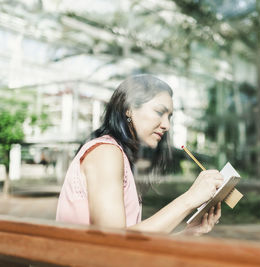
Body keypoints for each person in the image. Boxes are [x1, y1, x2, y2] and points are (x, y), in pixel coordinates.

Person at [56, 74, 223, 236]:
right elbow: (114, 241)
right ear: (128, 109)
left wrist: (187, 234)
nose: (166, 125)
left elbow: (125, 248)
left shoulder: (121, 157)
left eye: (169, 117)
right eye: (159, 112)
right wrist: (190, 199)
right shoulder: (106, 152)